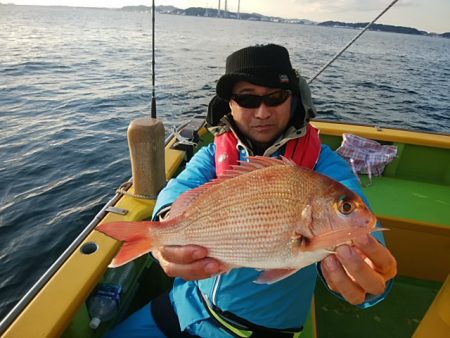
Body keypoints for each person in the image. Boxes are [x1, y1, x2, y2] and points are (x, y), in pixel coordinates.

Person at [106, 44, 397, 338]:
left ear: (295, 101)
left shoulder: (327, 170)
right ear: (228, 105)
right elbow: (178, 190)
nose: (262, 112)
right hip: (187, 303)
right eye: (247, 99)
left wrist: (373, 282)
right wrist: (167, 238)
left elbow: (368, 246)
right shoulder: (211, 155)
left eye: (276, 97)